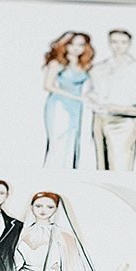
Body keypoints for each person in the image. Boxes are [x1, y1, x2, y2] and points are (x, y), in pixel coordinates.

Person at [87, 30, 136, 171]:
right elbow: (89, 94)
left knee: (120, 167)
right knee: (102, 168)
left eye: (123, 42)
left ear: (130, 44)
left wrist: (125, 109)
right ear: (109, 43)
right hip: (99, 120)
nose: (118, 46)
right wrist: (95, 102)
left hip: (124, 122)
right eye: (114, 42)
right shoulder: (97, 69)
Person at [42, 32, 94, 169]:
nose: (76, 48)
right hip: (59, 104)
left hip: (77, 107)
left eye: (81, 45)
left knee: (73, 142)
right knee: (58, 140)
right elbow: (48, 85)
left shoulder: (85, 64)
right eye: (72, 44)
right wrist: (77, 97)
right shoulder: (57, 63)